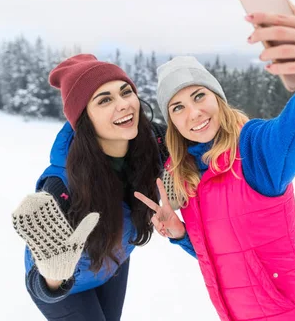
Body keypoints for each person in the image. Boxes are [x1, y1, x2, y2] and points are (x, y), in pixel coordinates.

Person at [134, 3, 295, 320]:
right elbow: (223, 259)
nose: (193, 113)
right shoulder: (190, 174)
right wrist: (182, 235)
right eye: (177, 107)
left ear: (218, 99)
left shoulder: (255, 150)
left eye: (199, 96)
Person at [11, 54, 195, 321]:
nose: (124, 105)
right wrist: (54, 275)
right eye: (105, 100)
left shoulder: (152, 140)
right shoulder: (61, 186)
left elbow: (202, 144)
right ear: (85, 118)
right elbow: (38, 284)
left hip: (114, 264)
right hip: (68, 287)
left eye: (126, 92)